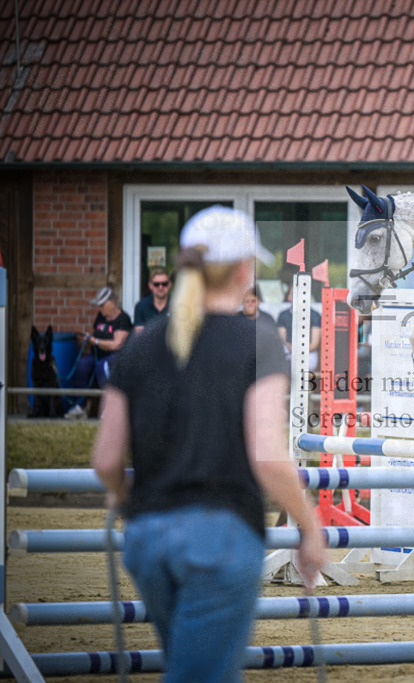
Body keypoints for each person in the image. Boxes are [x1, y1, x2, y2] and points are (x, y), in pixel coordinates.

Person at [90, 206, 327, 682]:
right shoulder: (258, 342)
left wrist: (120, 495)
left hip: (148, 535)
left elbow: (106, 457)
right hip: (221, 535)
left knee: (190, 662)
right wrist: (309, 525)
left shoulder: (138, 346)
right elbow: (266, 452)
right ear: (244, 270)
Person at [65, 287, 133, 419]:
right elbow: (97, 333)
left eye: (102, 304)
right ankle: (81, 406)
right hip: (97, 354)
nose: (100, 308)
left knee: (103, 366)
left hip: (115, 357)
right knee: (82, 365)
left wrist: (95, 341)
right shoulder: (101, 316)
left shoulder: (123, 319)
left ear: (112, 303)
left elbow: (116, 344)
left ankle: (110, 408)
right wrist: (88, 339)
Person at [276, 276, 322, 372]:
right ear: (289, 297)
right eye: (294, 294)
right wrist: (291, 349)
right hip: (288, 353)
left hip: (308, 354)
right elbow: (283, 340)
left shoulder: (315, 315)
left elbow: (314, 344)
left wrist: (299, 352)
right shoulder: (283, 315)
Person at [133, 267, 173, 332]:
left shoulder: (179, 305)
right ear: (150, 285)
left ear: (169, 285)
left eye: (164, 284)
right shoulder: (141, 306)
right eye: (156, 284)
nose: (160, 287)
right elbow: (139, 336)